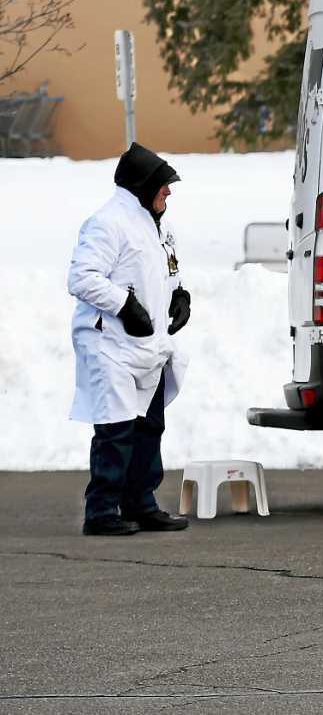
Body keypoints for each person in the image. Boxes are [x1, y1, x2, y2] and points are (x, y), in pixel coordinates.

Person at [68, 143, 192, 536]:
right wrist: (125, 306)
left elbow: (165, 271)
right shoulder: (107, 223)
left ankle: (141, 503)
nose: (169, 192)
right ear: (143, 185)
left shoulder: (160, 224)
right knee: (115, 430)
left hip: (148, 347)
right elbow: (83, 278)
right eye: (164, 185)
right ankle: (101, 511)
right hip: (111, 347)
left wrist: (180, 295)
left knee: (149, 427)